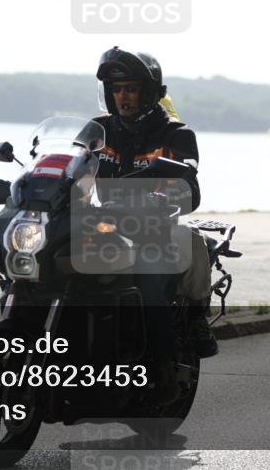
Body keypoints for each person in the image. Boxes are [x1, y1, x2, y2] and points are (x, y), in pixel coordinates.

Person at [91, 47, 217, 370]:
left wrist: (161, 199)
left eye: (130, 89)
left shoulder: (176, 135)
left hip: (154, 229)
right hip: (104, 227)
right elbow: (67, 164)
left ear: (148, 93)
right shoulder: (97, 131)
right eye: (117, 89)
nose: (123, 97)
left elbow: (190, 190)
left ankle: (172, 355)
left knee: (157, 271)